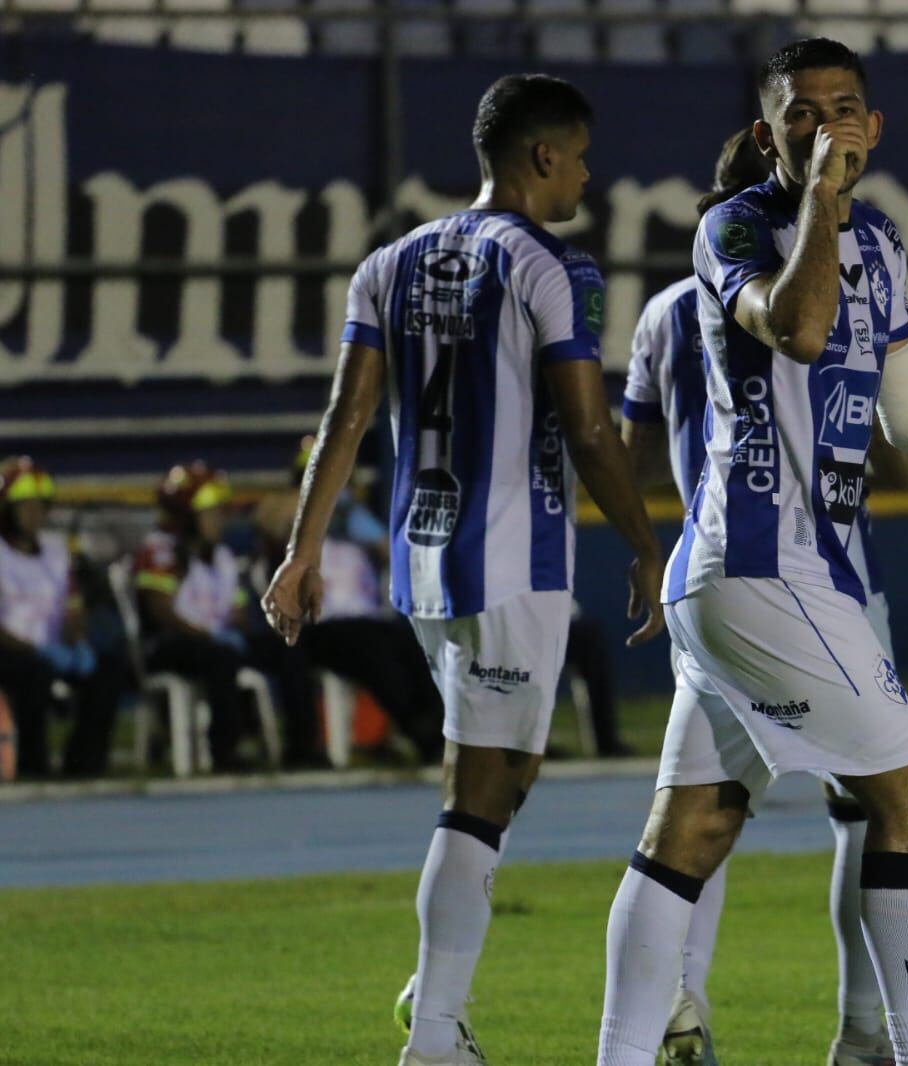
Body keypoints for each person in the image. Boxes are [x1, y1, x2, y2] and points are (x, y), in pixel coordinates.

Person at [597, 38, 908, 1066]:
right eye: (804, 112)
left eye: (847, 108)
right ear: (767, 130)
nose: (829, 126)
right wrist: (819, 199)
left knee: (691, 831)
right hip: (755, 564)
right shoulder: (734, 227)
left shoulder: (881, 242)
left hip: (784, 569)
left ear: (876, 125)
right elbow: (801, 329)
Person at [259, 74, 665, 1066]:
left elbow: (343, 421)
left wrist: (302, 551)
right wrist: (649, 545)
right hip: (511, 561)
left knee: (498, 775)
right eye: (576, 156)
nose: (584, 174)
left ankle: (436, 997)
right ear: (540, 158)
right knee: (479, 791)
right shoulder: (550, 268)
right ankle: (434, 1031)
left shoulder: (388, 264)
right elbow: (588, 426)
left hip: (425, 560)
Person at [256, 439, 445, 763]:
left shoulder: (352, 518)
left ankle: (442, 729)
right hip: (322, 623)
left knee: (416, 645)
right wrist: (317, 505)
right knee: (371, 651)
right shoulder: (290, 517)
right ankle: (418, 729)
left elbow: (391, 553)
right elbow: (267, 520)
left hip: (366, 619)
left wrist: (353, 520)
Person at [138, 461, 319, 771]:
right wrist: (207, 634)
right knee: (219, 658)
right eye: (211, 513)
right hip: (173, 644)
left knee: (288, 649)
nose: (220, 520)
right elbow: (160, 611)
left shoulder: (222, 556)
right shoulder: (161, 552)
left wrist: (233, 626)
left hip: (217, 643)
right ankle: (225, 752)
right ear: (187, 516)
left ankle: (302, 748)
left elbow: (238, 612)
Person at [0, 458, 122, 778]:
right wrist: (30, 650)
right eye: (26, 507)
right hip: (11, 650)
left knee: (107, 671)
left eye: (41, 507)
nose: (35, 515)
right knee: (33, 674)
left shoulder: (56, 551)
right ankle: (32, 766)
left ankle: (83, 765)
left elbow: (73, 606)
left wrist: (79, 642)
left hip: (53, 649)